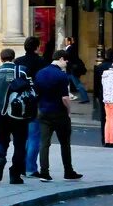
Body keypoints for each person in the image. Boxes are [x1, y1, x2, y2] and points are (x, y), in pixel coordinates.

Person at [34, 51, 83, 181]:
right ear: (61, 59)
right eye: (66, 61)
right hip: (59, 112)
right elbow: (65, 98)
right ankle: (68, 171)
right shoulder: (62, 76)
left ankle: (44, 172)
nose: (66, 64)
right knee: (65, 143)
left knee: (44, 143)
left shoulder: (40, 73)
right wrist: (69, 111)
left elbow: (36, 94)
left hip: (43, 111)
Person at [0, 49, 28, 184]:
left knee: (2, 141)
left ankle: (0, 158)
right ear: (13, 57)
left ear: (1, 58)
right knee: (20, 144)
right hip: (18, 115)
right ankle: (15, 174)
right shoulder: (22, 71)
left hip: (0, 113)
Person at [14, 36, 47, 178]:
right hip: (36, 101)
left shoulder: (18, 62)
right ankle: (31, 167)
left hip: (20, 102)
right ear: (37, 47)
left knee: (22, 136)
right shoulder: (41, 62)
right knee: (34, 136)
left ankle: (20, 165)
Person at [63, 37, 90, 103]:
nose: (64, 42)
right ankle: (66, 96)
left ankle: (85, 98)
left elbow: (68, 57)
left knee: (78, 84)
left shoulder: (71, 48)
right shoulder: (69, 48)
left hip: (72, 70)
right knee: (64, 82)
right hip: (69, 70)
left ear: (69, 42)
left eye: (66, 41)